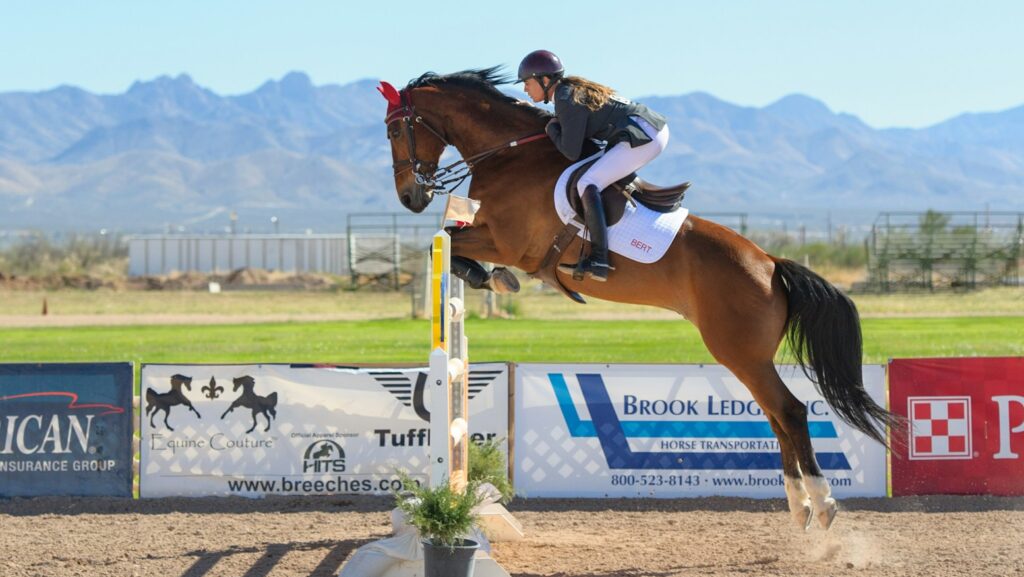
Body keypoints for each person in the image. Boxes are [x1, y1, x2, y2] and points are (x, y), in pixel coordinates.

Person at [518, 49, 670, 282]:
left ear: (544, 80)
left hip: (644, 134)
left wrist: (551, 129)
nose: (525, 89)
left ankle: (599, 258)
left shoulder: (566, 97)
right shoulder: (567, 93)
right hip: (647, 129)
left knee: (588, 182)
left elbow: (571, 151)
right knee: (594, 176)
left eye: (527, 83)